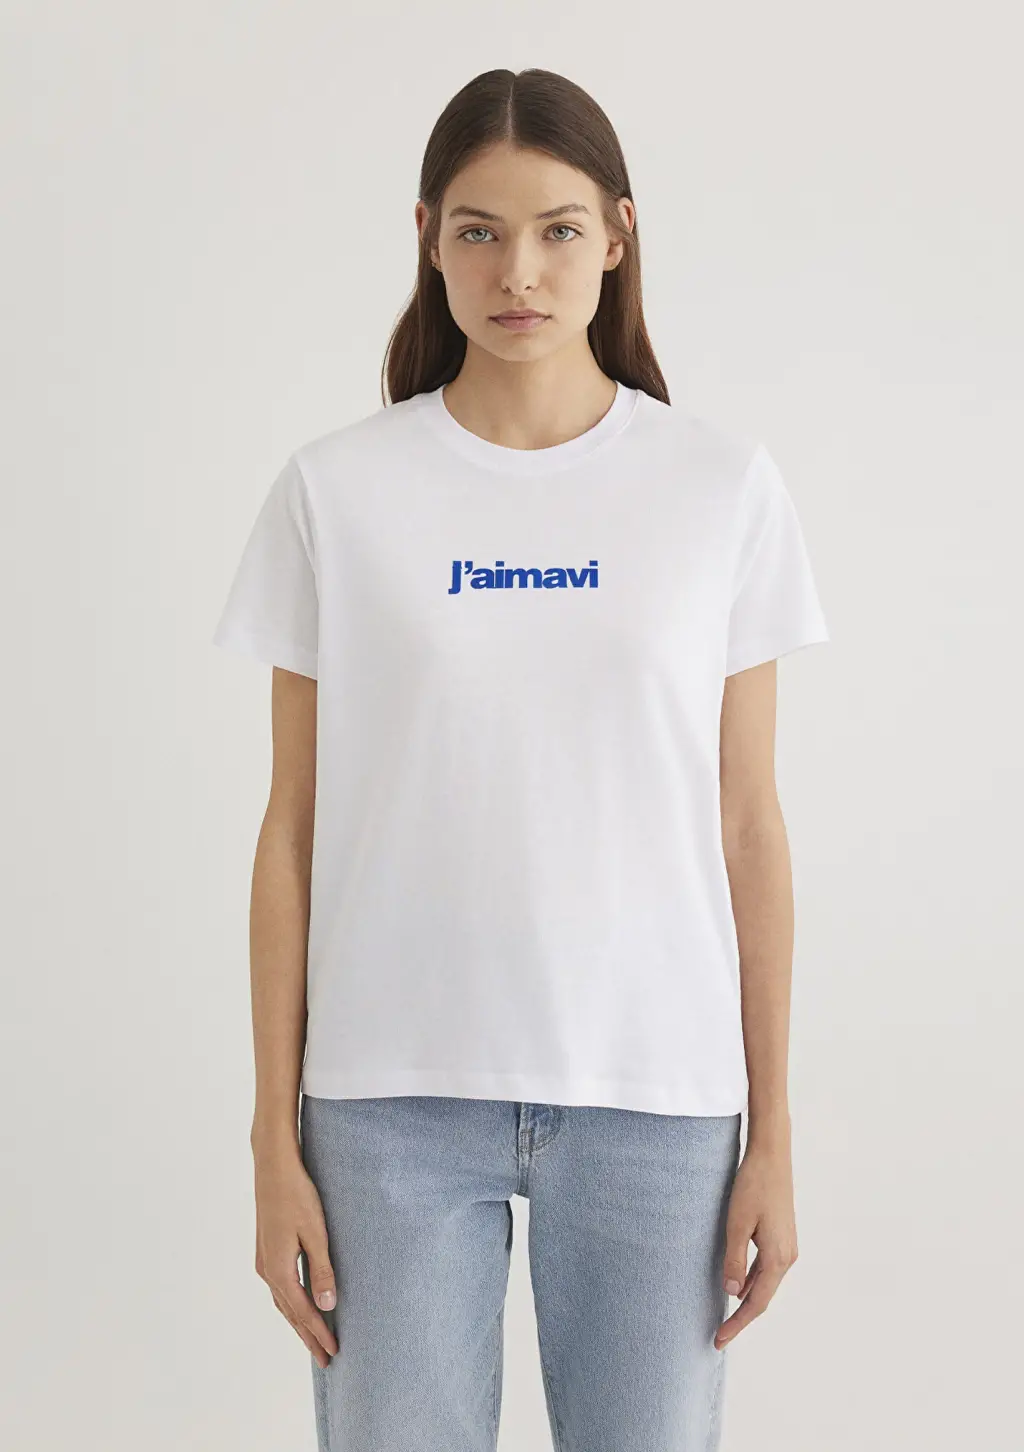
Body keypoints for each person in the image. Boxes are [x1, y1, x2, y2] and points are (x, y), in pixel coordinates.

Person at [212, 66, 829, 1452]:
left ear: (618, 234)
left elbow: (748, 825)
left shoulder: (718, 489)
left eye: (557, 230)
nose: (519, 272)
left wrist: (776, 1133)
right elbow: (291, 830)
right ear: (428, 239)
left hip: (658, 1100)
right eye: (479, 232)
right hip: (386, 1105)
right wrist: (271, 1140)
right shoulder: (338, 491)